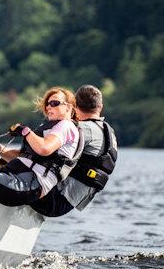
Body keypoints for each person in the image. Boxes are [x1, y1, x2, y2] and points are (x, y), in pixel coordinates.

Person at [30, 85, 118, 217]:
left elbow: (43, 147)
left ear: (74, 106)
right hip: (69, 201)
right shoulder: (108, 131)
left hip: (54, 200)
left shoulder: (77, 129)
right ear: (100, 106)